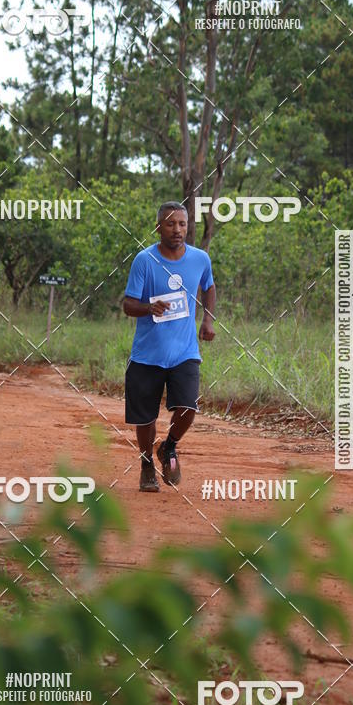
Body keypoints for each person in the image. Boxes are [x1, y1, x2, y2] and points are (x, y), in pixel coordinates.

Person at [123, 201, 216, 492]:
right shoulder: (144, 260)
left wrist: (208, 321)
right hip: (147, 355)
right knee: (145, 417)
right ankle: (147, 463)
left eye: (182, 224)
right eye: (170, 223)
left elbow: (209, 286)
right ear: (158, 226)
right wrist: (150, 307)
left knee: (188, 407)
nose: (177, 230)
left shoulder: (200, 258)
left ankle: (169, 447)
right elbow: (128, 304)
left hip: (185, 352)